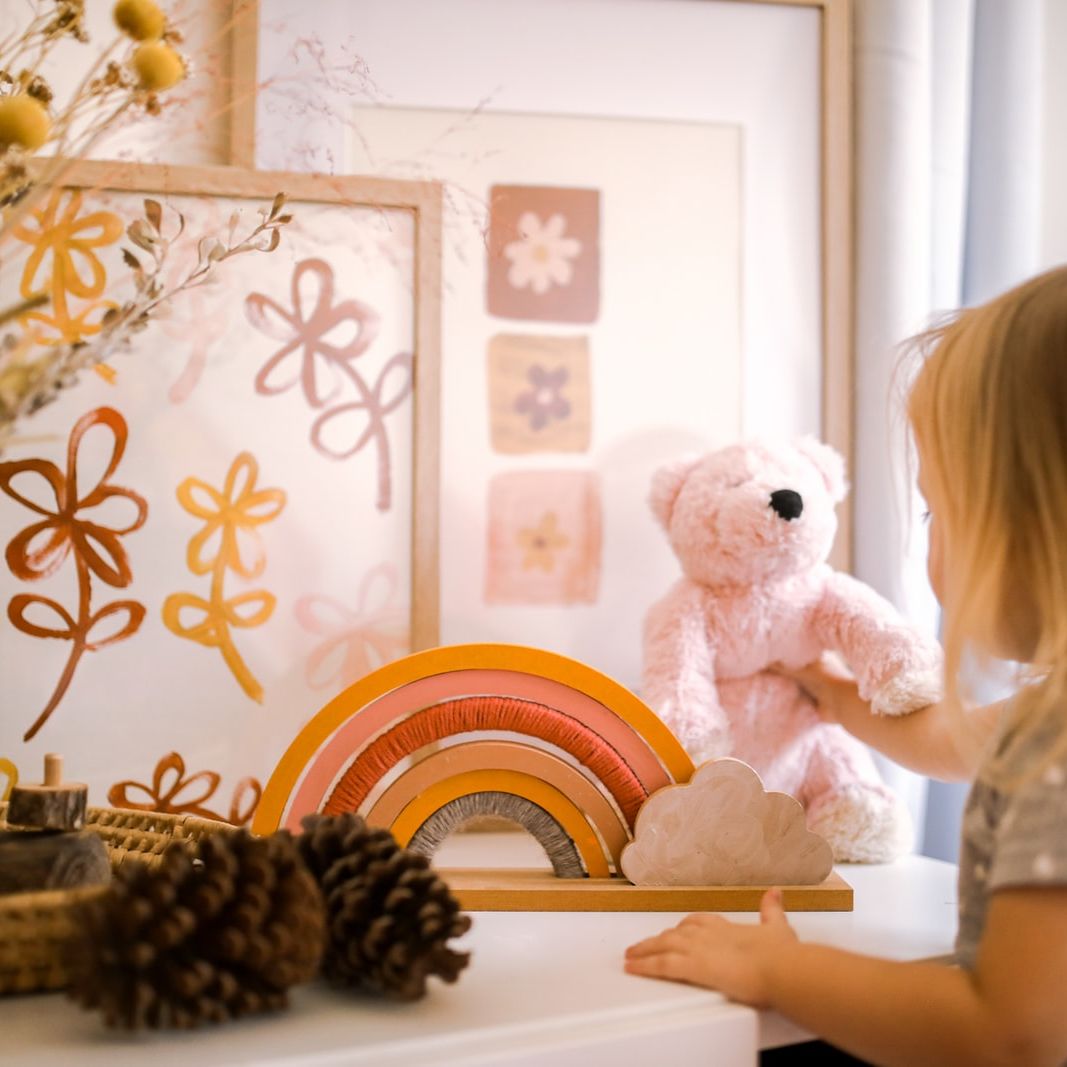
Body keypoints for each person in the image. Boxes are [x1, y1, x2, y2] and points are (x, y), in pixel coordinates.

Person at [623, 266, 1067, 1067]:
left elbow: (1010, 1033)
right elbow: (944, 741)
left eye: (937, 508)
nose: (928, 537)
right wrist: (826, 688)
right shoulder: (1045, 719)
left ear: (1029, 521)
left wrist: (777, 967)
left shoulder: (1056, 745)